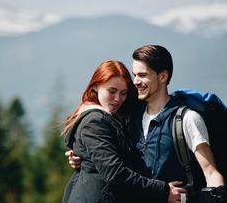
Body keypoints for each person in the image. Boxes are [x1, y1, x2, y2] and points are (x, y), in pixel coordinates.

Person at [67, 45, 227, 202]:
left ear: (162, 76)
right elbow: (111, 160)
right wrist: (84, 157)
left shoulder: (187, 119)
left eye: (142, 75)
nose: (136, 81)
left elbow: (211, 173)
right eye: (135, 75)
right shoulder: (129, 118)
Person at [61, 59, 186, 203]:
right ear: (95, 87)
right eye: (112, 91)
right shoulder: (95, 122)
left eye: (123, 93)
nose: (117, 99)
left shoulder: (114, 118)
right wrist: (164, 191)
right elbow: (115, 173)